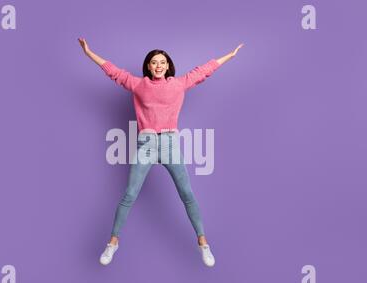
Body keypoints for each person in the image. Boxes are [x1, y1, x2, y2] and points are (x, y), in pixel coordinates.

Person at [78, 38, 244, 267]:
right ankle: (112, 243)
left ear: (168, 66)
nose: (158, 65)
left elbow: (205, 70)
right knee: (129, 195)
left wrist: (229, 56)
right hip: (146, 144)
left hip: (169, 144)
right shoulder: (138, 85)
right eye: (154, 62)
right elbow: (113, 72)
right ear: (148, 66)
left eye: (162, 62)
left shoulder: (179, 83)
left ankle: (203, 243)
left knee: (187, 193)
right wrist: (89, 53)